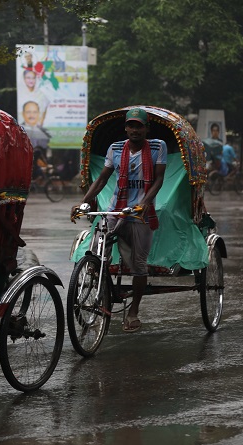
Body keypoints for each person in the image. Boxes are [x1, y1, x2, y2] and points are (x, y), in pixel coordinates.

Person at [71, 107, 167, 333]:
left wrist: (144, 203)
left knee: (139, 265)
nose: (135, 130)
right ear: (125, 128)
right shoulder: (115, 149)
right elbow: (102, 179)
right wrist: (84, 202)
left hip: (140, 212)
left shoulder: (157, 147)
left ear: (146, 128)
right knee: (96, 251)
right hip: (116, 208)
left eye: (139, 126)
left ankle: (133, 312)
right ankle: (98, 287)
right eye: (131, 125)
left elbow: (159, 179)